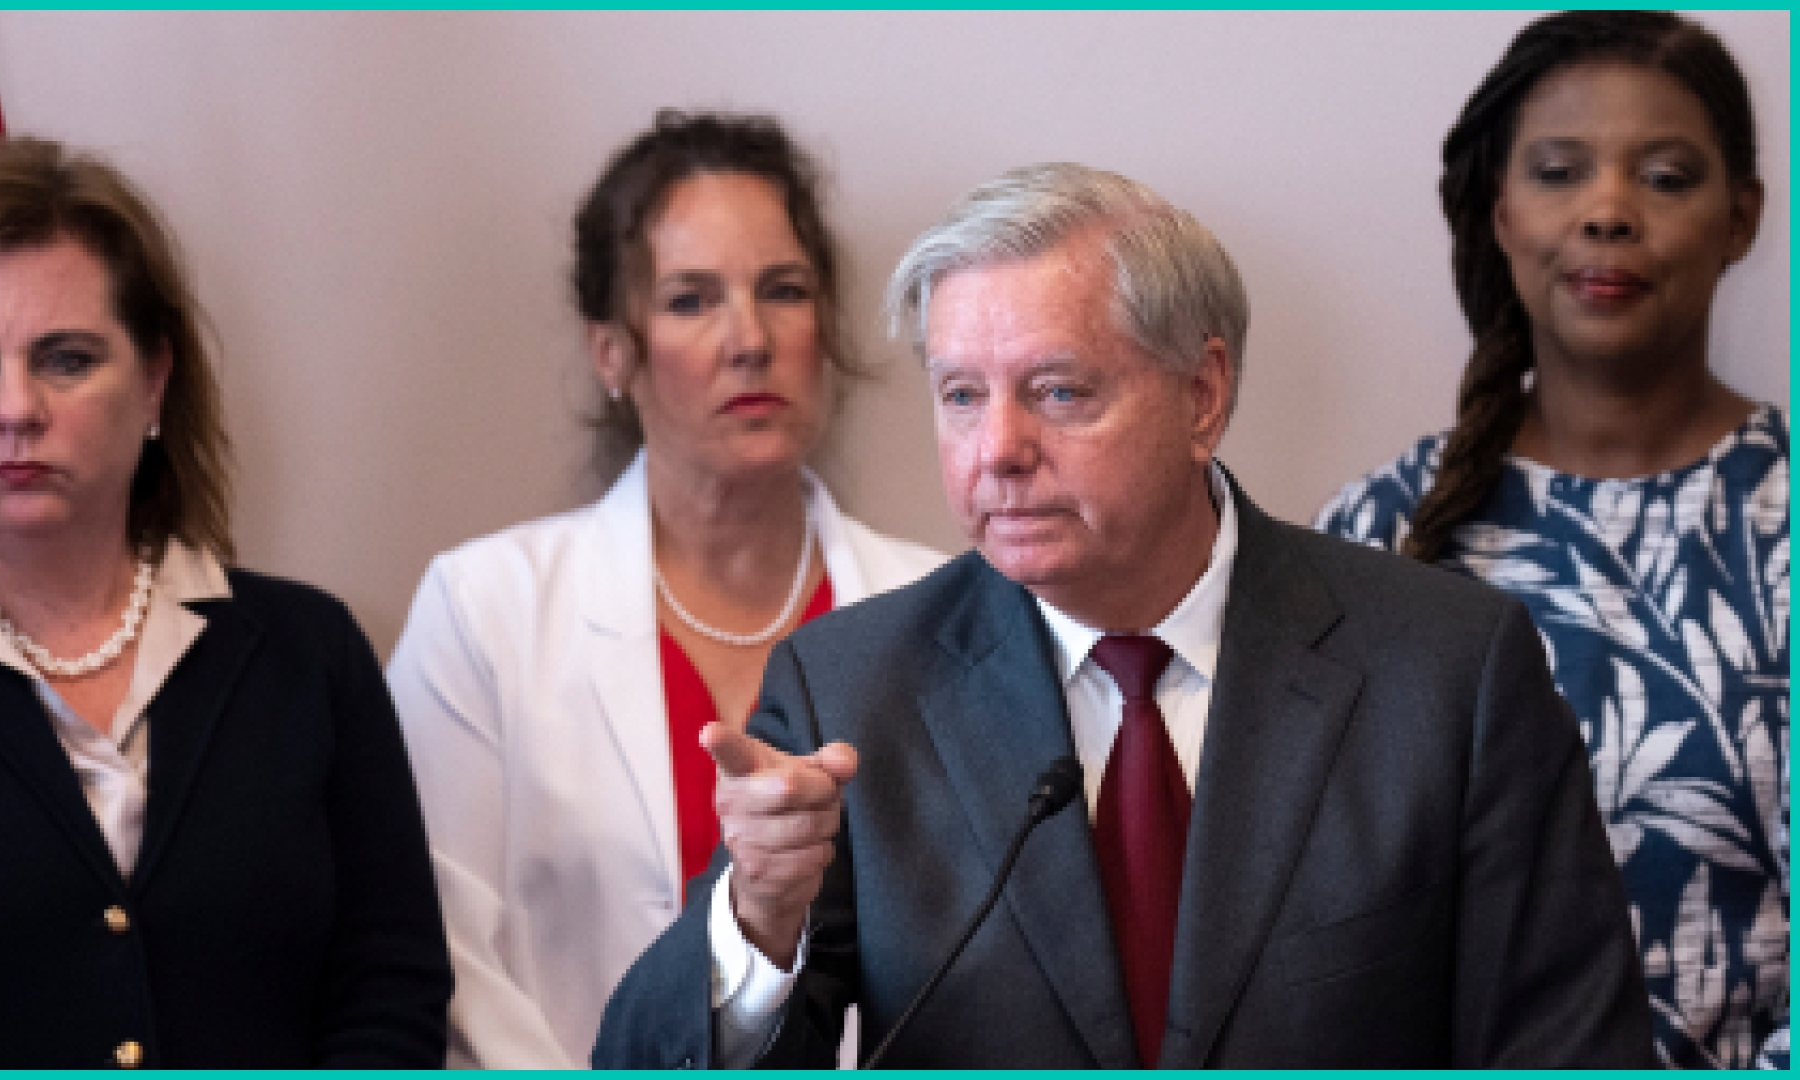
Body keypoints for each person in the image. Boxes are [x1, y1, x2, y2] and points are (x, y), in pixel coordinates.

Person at [591, 162, 1657, 1069]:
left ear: (1202, 395)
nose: (996, 448)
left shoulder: (1449, 672)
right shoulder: (855, 690)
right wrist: (759, 917)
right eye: (961, 395)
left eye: (1056, 392)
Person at [386, 109, 944, 1069]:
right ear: (614, 350)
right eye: (692, 300)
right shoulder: (485, 609)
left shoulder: (935, 606)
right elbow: (441, 955)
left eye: (784, 290)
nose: (751, 339)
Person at [0, 136, 452, 1068]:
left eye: (66, 359)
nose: (16, 408)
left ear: (154, 380)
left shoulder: (306, 651)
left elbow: (388, 984)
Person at [1313, 11, 1786, 1069]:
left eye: (1664, 177)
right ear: (1500, 213)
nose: (1609, 212)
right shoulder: (1373, 536)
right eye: (1562, 172)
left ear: (1741, 217)